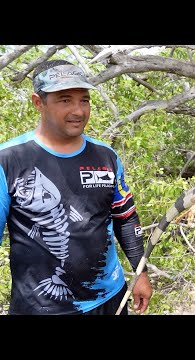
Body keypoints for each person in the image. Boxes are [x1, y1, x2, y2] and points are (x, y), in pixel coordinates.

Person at [0, 59, 152, 315]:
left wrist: (141, 272)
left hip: (109, 299)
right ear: (38, 102)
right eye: (65, 100)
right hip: (39, 307)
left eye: (84, 99)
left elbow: (125, 218)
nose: (78, 110)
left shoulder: (106, 157)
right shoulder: (9, 160)